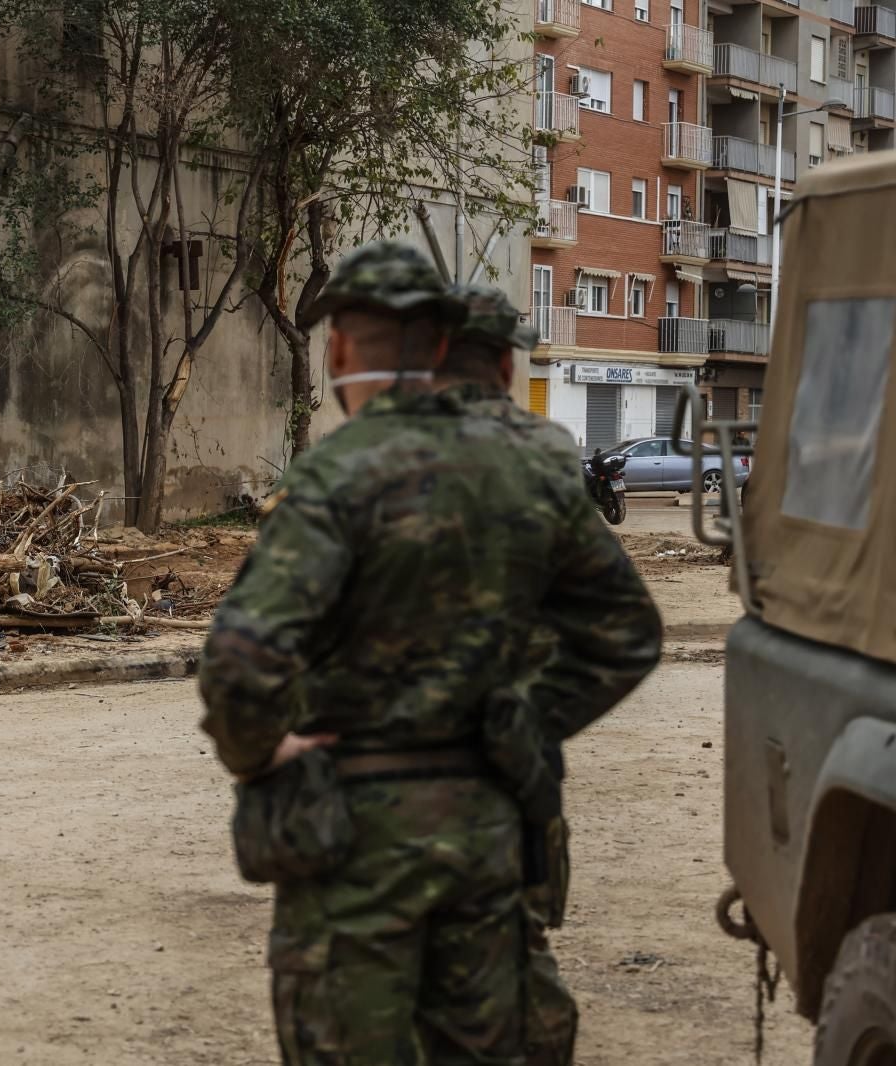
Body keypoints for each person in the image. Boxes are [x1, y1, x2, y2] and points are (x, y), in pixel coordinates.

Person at [198, 242, 663, 1065]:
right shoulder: (528, 468)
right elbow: (625, 634)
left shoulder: (338, 474)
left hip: (353, 834)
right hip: (486, 825)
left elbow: (242, 657)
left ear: (338, 347)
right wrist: (523, 719)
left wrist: (260, 751)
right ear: (445, 349)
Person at [445, 282, 585, 1066]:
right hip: (517, 747)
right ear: (505, 361)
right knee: (521, 945)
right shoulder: (548, 454)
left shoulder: (380, 454)